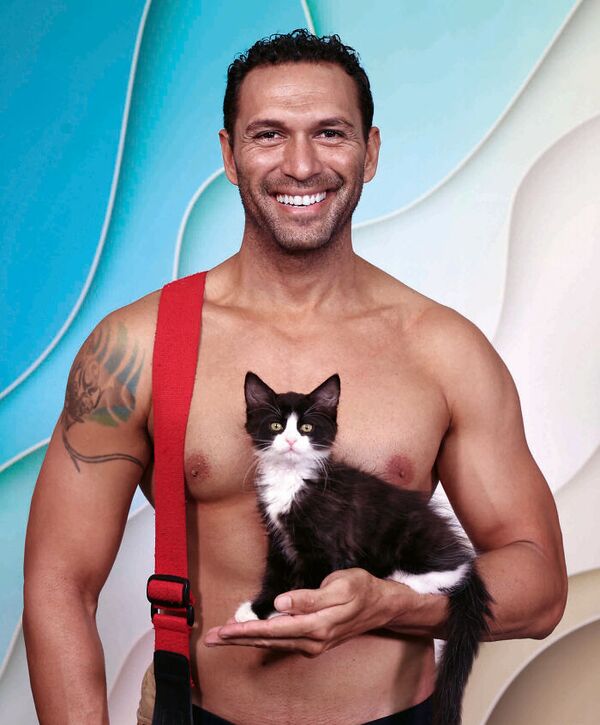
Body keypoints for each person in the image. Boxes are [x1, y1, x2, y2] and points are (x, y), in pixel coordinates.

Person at [23, 29, 567, 725]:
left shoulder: (443, 350)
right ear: (229, 155)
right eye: (270, 135)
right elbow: (59, 584)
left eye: (331, 133)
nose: (301, 165)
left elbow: (539, 586)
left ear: (371, 152)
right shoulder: (136, 346)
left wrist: (392, 603)